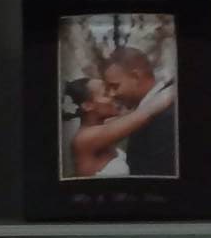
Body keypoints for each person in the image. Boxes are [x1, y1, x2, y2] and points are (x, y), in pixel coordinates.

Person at [64, 69, 175, 180]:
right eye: (106, 93)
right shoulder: (84, 139)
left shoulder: (104, 125)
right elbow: (147, 111)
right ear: (87, 106)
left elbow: (140, 104)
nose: (114, 94)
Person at [100, 45, 178, 175]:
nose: (112, 94)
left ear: (135, 76)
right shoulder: (156, 108)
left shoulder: (166, 117)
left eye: (114, 86)